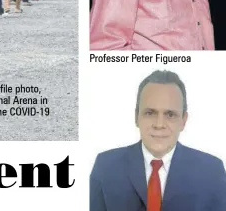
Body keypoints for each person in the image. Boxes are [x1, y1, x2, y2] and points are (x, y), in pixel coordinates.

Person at [90, 70, 226, 211]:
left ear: (183, 121)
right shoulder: (106, 166)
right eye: (150, 113)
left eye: (170, 114)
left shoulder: (211, 171)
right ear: (136, 117)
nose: (159, 124)